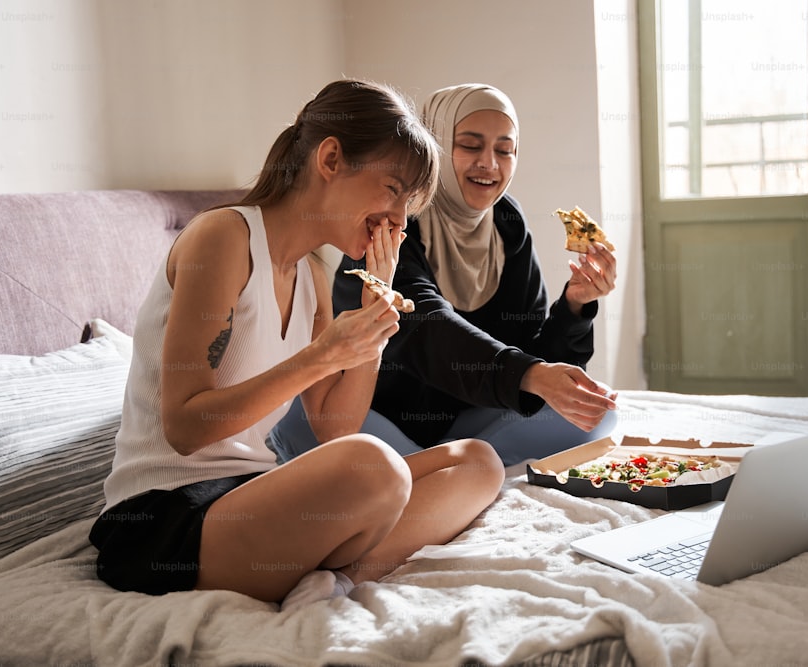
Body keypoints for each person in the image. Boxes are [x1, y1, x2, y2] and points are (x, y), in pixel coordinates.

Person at [88, 79, 505, 607]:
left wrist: (372, 322)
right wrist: (323, 353)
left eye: (409, 205)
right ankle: (330, 570)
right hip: (161, 518)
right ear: (330, 159)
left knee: (477, 462)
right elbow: (186, 426)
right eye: (393, 190)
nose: (400, 220)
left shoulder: (312, 279)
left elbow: (334, 427)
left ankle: (338, 581)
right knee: (375, 467)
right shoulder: (223, 238)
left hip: (250, 496)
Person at [270, 83, 619, 467]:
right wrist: (532, 375)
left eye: (505, 150)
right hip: (377, 417)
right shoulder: (394, 221)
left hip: (462, 419)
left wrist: (574, 305)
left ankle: (448, 466)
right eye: (470, 145)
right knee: (374, 461)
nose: (489, 163)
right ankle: (446, 467)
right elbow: (427, 329)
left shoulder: (507, 222)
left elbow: (533, 361)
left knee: (597, 412)